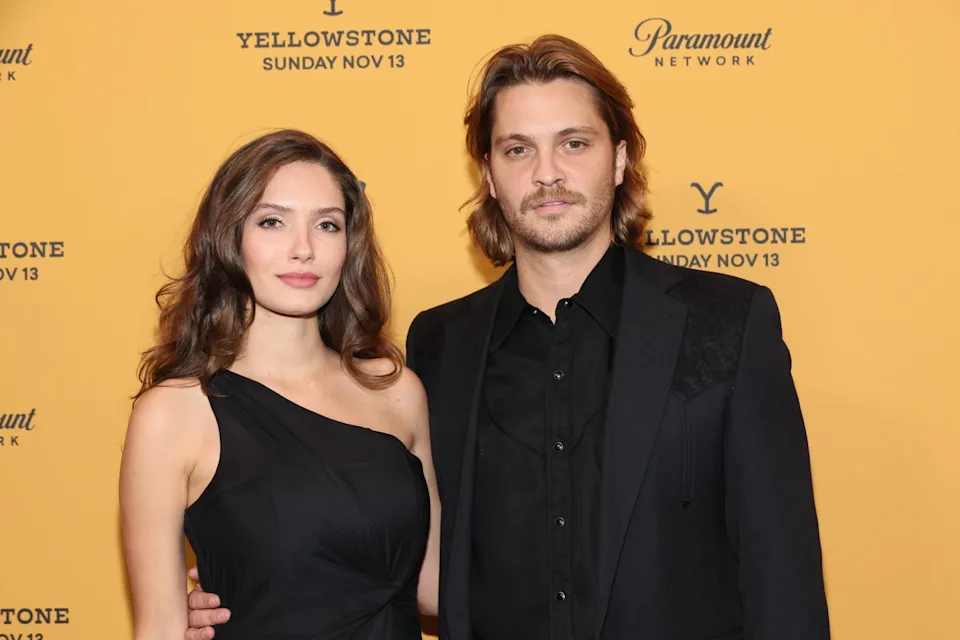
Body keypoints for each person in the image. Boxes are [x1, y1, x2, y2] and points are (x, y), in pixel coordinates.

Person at [187, 35, 830, 639]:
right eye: (518, 149)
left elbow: (783, 573)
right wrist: (250, 579)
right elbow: (404, 554)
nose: (547, 173)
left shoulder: (727, 321)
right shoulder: (439, 345)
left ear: (620, 159)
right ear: (489, 176)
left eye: (574, 143)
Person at [119, 129, 440, 639]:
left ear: (349, 245)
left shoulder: (397, 392)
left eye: (327, 225)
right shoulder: (176, 414)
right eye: (272, 222)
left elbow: (434, 588)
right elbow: (159, 629)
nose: (303, 249)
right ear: (229, 238)